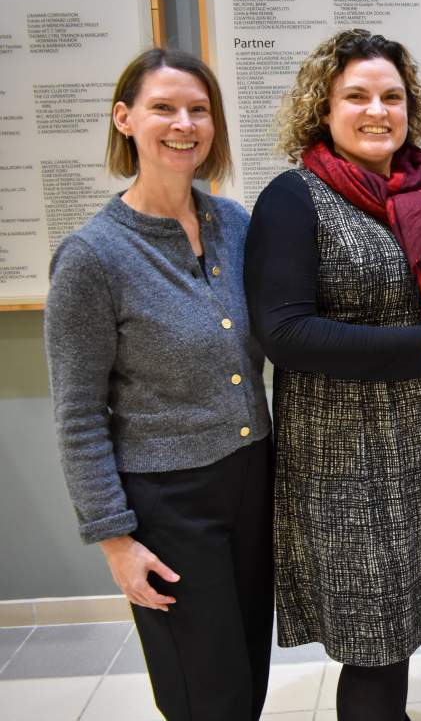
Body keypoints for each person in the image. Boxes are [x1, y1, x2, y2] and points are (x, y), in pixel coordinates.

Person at [243, 29, 421, 720]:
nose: (377, 109)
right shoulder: (295, 198)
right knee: (372, 643)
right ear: (324, 107)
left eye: (392, 95)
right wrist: (415, 345)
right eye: (357, 95)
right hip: (347, 459)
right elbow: (283, 332)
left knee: (401, 628)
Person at [44, 49, 273, 720]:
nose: (185, 124)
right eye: (164, 108)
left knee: (248, 675)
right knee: (207, 695)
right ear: (125, 119)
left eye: (198, 110)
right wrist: (115, 539)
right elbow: (78, 415)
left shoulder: (234, 224)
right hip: (170, 502)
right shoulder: (92, 256)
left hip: (252, 479)